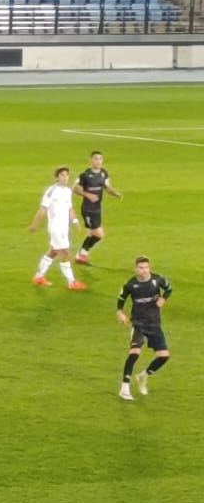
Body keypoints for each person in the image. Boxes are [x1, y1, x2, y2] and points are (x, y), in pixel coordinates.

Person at [116, 255, 173, 400]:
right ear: (136, 269)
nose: (144, 271)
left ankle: (144, 375)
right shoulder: (131, 284)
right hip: (139, 323)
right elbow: (121, 298)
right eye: (141, 268)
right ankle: (124, 387)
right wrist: (120, 312)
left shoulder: (157, 279)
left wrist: (163, 298)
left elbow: (169, 288)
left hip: (154, 323)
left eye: (146, 267)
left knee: (164, 356)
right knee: (135, 352)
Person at [28, 166, 86, 290]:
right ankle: (72, 282)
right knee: (65, 253)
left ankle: (39, 276)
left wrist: (75, 220)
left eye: (66, 175)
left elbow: (70, 208)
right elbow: (42, 209)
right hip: (56, 228)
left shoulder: (68, 191)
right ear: (57, 177)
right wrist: (35, 224)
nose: (65, 177)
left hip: (64, 228)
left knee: (53, 251)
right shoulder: (51, 191)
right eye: (62, 175)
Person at [74, 150, 122, 264]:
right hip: (88, 209)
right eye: (96, 159)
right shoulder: (84, 175)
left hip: (97, 209)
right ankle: (83, 252)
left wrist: (115, 193)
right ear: (91, 160)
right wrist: (87, 194)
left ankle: (80, 256)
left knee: (91, 233)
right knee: (99, 234)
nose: (98, 161)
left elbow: (106, 187)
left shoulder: (104, 173)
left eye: (100, 159)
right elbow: (75, 188)